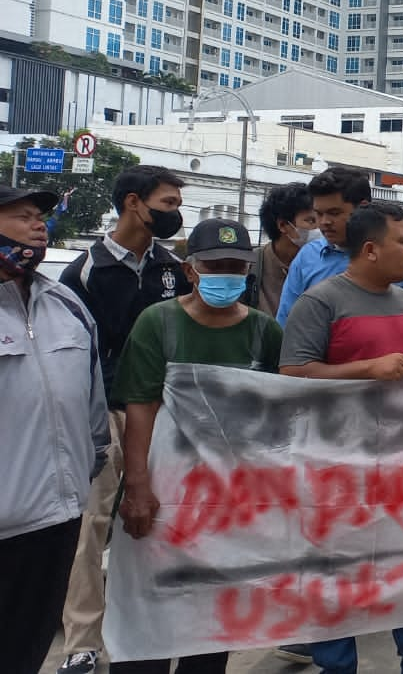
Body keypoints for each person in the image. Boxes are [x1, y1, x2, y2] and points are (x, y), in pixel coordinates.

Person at [279, 202, 403, 674]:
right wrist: (367, 370)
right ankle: (337, 665)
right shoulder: (321, 302)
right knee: (336, 571)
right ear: (370, 249)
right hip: (335, 463)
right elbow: (292, 373)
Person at [113, 218, 282, 674]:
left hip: (229, 499)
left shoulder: (264, 332)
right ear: (191, 271)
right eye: (214, 265)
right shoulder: (159, 323)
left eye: (236, 265)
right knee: (153, 603)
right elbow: (141, 406)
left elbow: (277, 414)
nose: (226, 274)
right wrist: (138, 487)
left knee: (212, 613)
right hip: (166, 489)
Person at [57, 165, 189, 674]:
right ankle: (82, 644)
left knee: (157, 522)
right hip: (108, 410)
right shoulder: (85, 271)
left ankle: (149, 628)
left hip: (164, 413)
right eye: (168, 202)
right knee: (91, 529)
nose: (174, 212)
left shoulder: (173, 268)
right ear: (135, 203)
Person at [0, 185, 108, 674]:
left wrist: (89, 464)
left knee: (27, 648)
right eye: (22, 216)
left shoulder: (65, 303)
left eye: (39, 216)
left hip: (55, 521)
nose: (38, 226)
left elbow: (92, 402)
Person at [276, 166, 403, 357]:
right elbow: (286, 323)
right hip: (323, 382)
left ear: (362, 208)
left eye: (334, 213)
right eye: (319, 213)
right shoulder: (308, 257)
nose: (324, 222)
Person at [251, 183, 315, 316]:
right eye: (311, 221)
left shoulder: (324, 265)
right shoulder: (250, 267)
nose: (320, 228)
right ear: (283, 225)